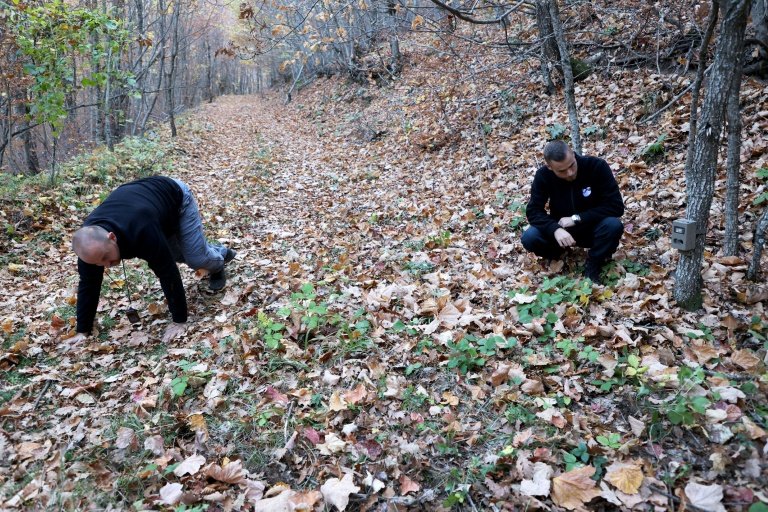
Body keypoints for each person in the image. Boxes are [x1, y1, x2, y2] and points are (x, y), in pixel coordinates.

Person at [68, 176, 236, 344]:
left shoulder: (140, 230)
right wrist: (82, 330)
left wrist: (179, 321)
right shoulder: (89, 246)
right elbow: (89, 284)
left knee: (195, 258)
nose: (106, 265)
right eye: (98, 263)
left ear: (112, 237)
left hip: (176, 198)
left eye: (106, 257)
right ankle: (216, 251)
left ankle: (218, 263)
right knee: (177, 254)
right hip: (152, 211)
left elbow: (167, 272)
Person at [521, 140, 624, 284]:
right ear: (549, 167)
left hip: (592, 228)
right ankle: (557, 255)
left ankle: (594, 263)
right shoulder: (543, 176)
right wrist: (555, 229)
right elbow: (533, 211)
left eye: (572, 165)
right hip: (562, 232)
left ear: (574, 155)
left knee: (613, 225)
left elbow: (616, 206)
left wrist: (577, 218)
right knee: (530, 237)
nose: (570, 173)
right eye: (562, 171)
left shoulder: (596, 166)